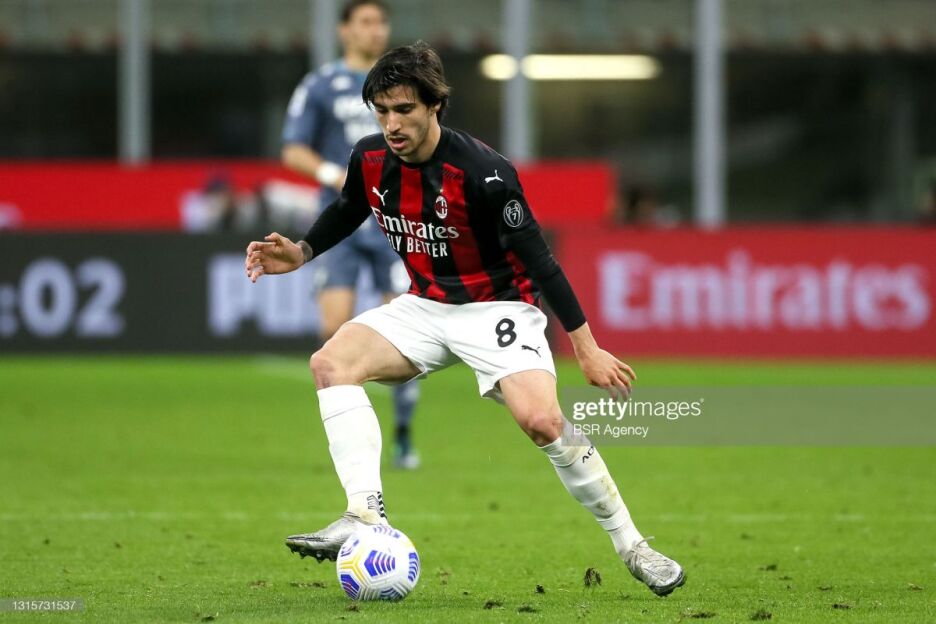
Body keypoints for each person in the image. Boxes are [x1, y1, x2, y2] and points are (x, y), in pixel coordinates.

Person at [246, 41, 685, 597]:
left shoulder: (484, 173)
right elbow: (350, 208)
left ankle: (634, 546)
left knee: (542, 421)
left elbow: (541, 262)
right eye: (381, 111)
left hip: (498, 307)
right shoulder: (369, 157)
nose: (391, 124)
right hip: (425, 305)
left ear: (434, 105)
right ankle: (363, 515)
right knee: (330, 363)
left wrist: (587, 347)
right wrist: (304, 251)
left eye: (404, 109)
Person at [281, 0, 420, 468]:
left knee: (404, 331)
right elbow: (292, 150)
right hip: (339, 220)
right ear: (344, 30)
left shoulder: (403, 87)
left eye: (380, 22)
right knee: (332, 329)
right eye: (365, 22)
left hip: (395, 221)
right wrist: (332, 174)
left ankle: (403, 434)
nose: (375, 30)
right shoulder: (321, 85)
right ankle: (351, 434)